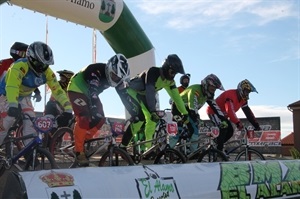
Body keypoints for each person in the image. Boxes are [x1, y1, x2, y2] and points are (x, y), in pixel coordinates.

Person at [0, 41, 73, 146]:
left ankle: (29, 152)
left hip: (24, 97)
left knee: (31, 124)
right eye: (39, 63)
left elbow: (57, 91)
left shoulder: (47, 72)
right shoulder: (19, 66)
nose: (42, 68)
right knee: (6, 122)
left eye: (45, 65)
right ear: (30, 58)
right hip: (7, 94)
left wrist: (68, 109)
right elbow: (12, 86)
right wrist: (12, 104)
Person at [118, 54, 189, 154]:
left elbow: (176, 98)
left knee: (152, 121)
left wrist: (185, 113)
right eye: (173, 72)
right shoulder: (153, 72)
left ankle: (147, 149)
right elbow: (150, 91)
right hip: (130, 91)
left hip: (143, 94)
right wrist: (152, 111)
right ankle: (122, 146)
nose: (173, 75)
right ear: (166, 67)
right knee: (140, 118)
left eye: (175, 74)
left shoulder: (169, 82)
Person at [67, 54, 130, 166]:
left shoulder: (117, 79)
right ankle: (78, 151)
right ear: (110, 67)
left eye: (119, 79)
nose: (115, 80)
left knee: (101, 119)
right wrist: (94, 108)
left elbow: (124, 97)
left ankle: (82, 139)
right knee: (84, 117)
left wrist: (133, 112)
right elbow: (93, 91)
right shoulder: (96, 70)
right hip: (76, 89)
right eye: (114, 76)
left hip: (91, 94)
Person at [170, 74, 228, 152]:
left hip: (189, 111)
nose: (213, 91)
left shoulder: (207, 95)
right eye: (212, 88)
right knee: (177, 131)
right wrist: (196, 117)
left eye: (214, 89)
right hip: (178, 108)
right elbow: (192, 105)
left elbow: (216, 108)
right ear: (206, 85)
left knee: (195, 131)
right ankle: (168, 151)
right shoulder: (195, 89)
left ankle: (192, 152)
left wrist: (223, 119)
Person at [206, 79, 261, 152]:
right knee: (224, 128)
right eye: (246, 91)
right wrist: (238, 123)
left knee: (230, 131)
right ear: (241, 89)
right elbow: (230, 111)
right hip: (213, 112)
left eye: (248, 92)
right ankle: (219, 151)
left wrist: (256, 125)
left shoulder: (243, 100)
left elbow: (248, 113)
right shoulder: (231, 95)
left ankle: (216, 146)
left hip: (222, 115)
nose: (247, 94)